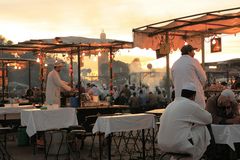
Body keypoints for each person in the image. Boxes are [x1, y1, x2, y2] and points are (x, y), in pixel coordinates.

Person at [157, 82, 212, 160]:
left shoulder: (171, 104)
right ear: (194, 96)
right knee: (203, 127)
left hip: (162, 143)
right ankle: (196, 156)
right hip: (178, 144)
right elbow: (208, 119)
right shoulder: (190, 104)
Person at [205, 89, 240, 159]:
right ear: (222, 97)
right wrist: (229, 120)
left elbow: (236, 116)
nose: (227, 103)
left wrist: (230, 110)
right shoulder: (211, 101)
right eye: (226, 101)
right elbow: (210, 118)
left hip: (228, 130)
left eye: (229, 102)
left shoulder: (233, 102)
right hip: (214, 130)